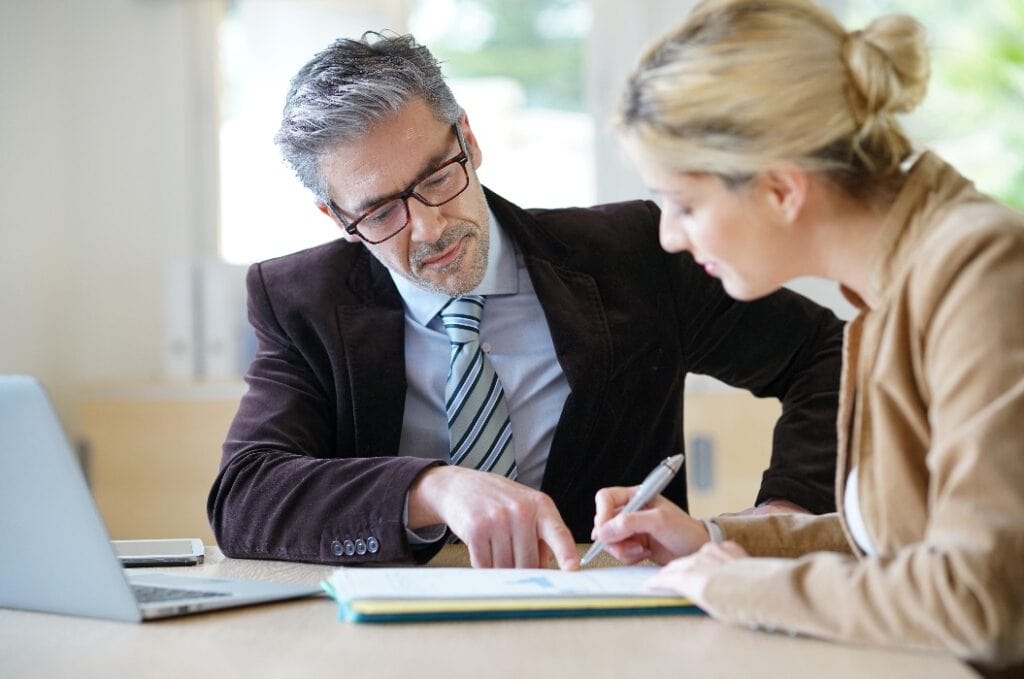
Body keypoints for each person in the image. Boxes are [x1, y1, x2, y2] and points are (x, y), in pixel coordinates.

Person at [207, 31, 845, 571]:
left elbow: (827, 352)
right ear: (333, 214)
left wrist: (784, 515)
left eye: (437, 178)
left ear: (469, 140)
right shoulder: (301, 301)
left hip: (606, 616)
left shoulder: (634, 256)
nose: (429, 229)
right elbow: (245, 499)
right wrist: (429, 488)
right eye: (379, 212)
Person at [592, 0, 1024, 670]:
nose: (669, 237)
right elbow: (895, 544)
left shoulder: (978, 274)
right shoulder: (895, 285)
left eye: (685, 204)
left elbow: (975, 595)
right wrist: (710, 540)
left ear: (781, 190)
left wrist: (737, 585)